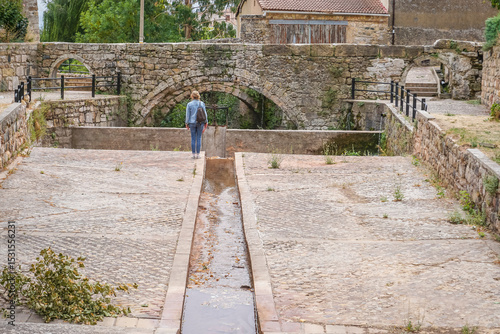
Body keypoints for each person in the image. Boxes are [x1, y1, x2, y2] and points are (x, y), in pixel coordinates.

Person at [185, 91, 208, 159]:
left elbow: (187, 115)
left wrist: (187, 123)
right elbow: (205, 114)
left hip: (192, 123)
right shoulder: (201, 103)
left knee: (193, 138)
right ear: (198, 96)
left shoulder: (189, 104)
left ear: (192, 96)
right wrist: (206, 122)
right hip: (200, 123)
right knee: (199, 138)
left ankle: (193, 155)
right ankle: (198, 154)